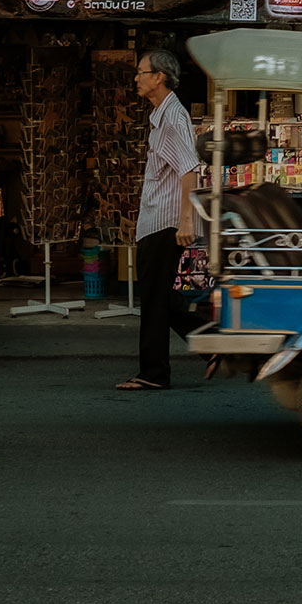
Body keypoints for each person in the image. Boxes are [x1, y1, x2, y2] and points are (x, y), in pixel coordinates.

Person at [118, 46, 201, 392]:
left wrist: (186, 222)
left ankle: (153, 373)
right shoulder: (162, 116)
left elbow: (190, 170)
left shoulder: (172, 118)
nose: (136, 78)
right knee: (165, 298)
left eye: (141, 72)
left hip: (164, 222)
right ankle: (212, 342)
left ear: (159, 77)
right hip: (157, 219)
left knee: (154, 299)